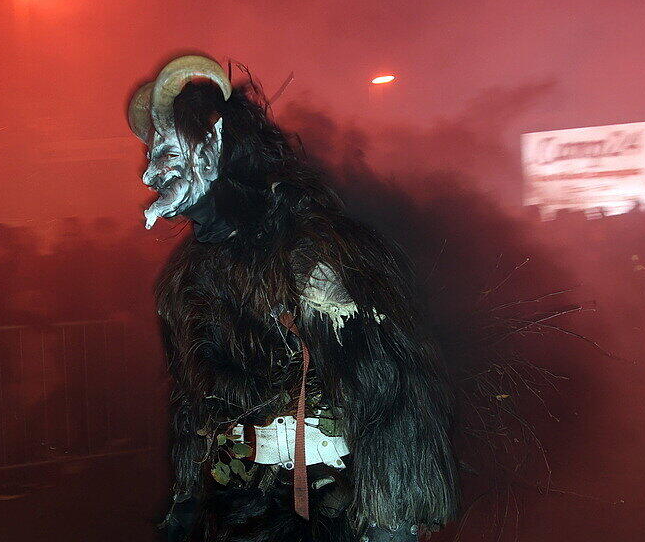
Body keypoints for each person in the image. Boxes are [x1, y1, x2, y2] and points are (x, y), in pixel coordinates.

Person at [127, 56, 457, 541]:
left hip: (329, 507)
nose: (150, 177)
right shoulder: (187, 276)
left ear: (215, 144)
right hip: (240, 507)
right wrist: (187, 499)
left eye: (169, 156)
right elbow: (192, 404)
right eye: (152, 155)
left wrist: (392, 521)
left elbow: (389, 388)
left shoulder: (312, 249)